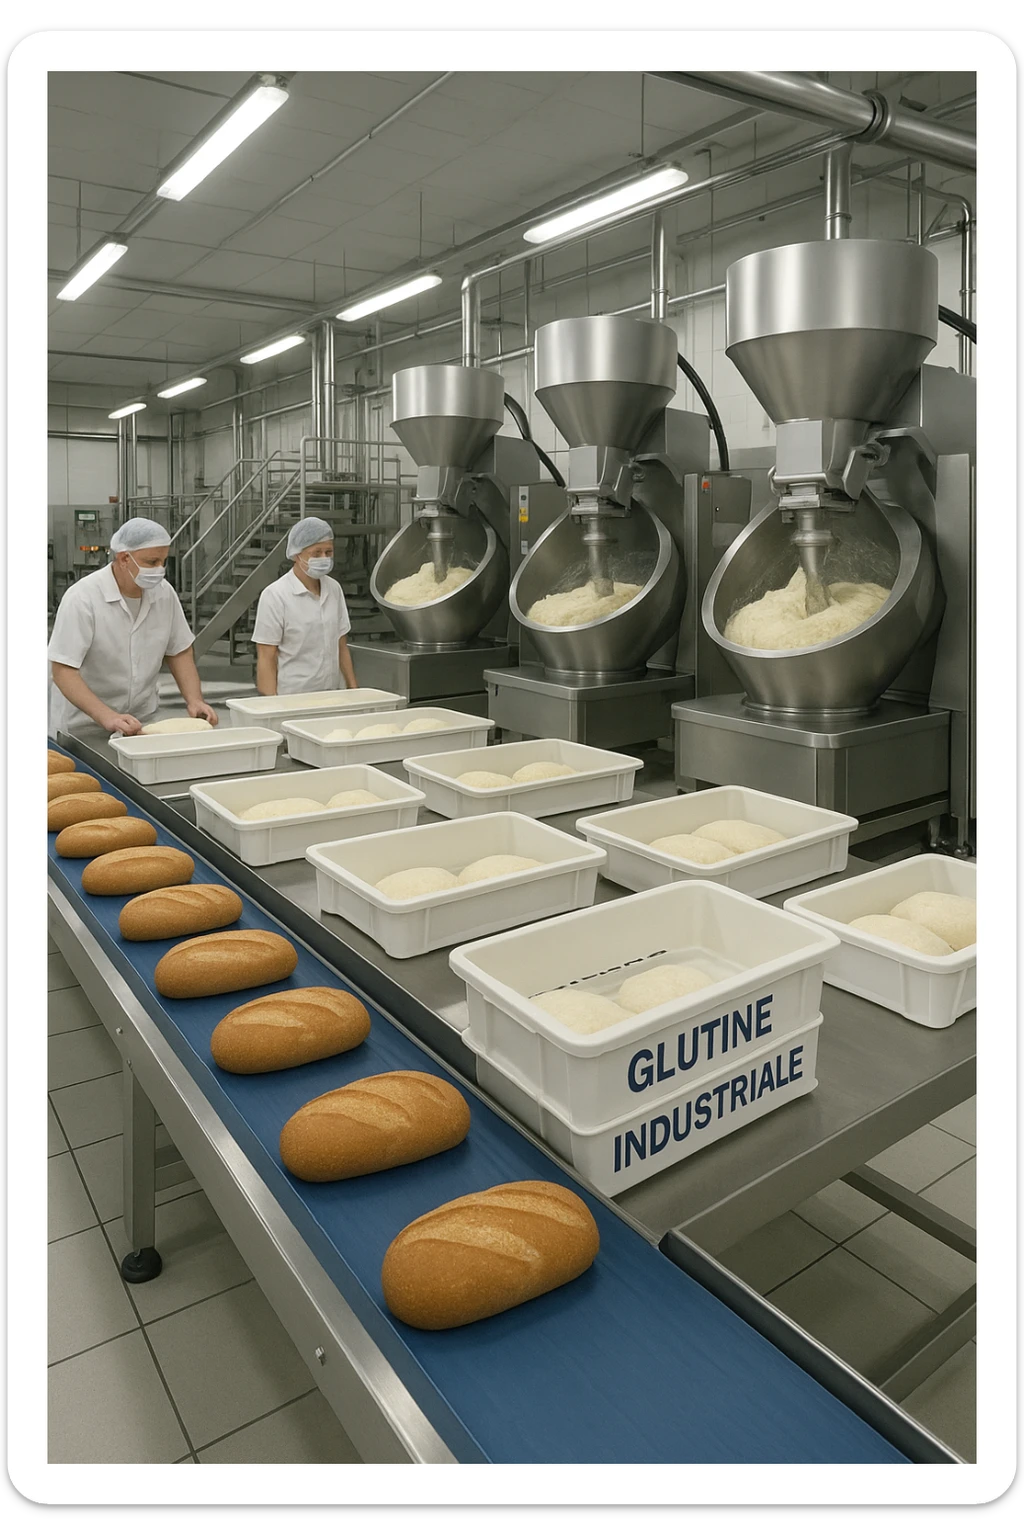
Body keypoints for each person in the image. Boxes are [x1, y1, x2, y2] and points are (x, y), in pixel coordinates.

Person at [48, 518, 218, 737]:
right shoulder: (83, 598)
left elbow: (179, 651)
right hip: (84, 724)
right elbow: (63, 671)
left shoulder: (164, 594)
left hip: (141, 720)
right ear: (124, 558)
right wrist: (107, 716)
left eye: (163, 561)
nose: (160, 569)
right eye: (152, 561)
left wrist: (195, 700)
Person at [252, 516, 358, 695]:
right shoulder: (275, 596)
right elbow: (266, 656)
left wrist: (354, 690)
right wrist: (271, 705)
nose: (323, 558)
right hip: (294, 697)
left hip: (333, 694)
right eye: (316, 553)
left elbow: (341, 645)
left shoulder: (334, 589)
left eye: (328, 552)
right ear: (296, 554)